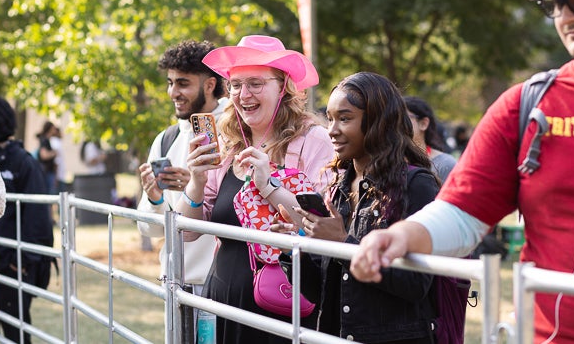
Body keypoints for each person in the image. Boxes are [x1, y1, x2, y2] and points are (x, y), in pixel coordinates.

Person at [350, 0, 574, 343]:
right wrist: (400, 234)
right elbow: (464, 213)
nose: (568, 15)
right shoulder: (528, 104)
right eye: (557, 3)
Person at [176, 35, 334, 344]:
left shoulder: (314, 141)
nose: (243, 94)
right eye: (235, 85)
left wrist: (270, 186)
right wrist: (195, 181)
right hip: (222, 300)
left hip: (285, 306)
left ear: (283, 86)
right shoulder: (229, 144)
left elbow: (326, 225)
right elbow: (187, 232)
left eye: (255, 84)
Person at [275, 72, 439, 343]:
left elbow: (416, 285)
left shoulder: (416, 185)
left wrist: (342, 243)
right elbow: (319, 292)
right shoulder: (337, 187)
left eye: (345, 118)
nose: (332, 130)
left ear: (377, 121)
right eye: (329, 118)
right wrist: (292, 252)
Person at [135, 40, 229, 338]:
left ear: (211, 84)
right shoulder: (166, 140)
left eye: (183, 83)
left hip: (220, 289)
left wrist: (198, 185)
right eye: (170, 83)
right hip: (174, 285)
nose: (173, 93)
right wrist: (153, 197)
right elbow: (147, 229)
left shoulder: (237, 132)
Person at [0, 94, 53, 343]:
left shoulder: (23, 162)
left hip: (10, 268)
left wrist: (23, 261)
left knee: (15, 333)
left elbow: (38, 219)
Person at [404, 96, 457, 182]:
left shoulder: (445, 164)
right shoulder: (388, 162)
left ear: (423, 123)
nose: (397, 123)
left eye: (404, 118)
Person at [36, 121, 58, 194]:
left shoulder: (46, 140)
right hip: (47, 171)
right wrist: (53, 153)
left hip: (48, 171)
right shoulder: (44, 140)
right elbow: (44, 155)